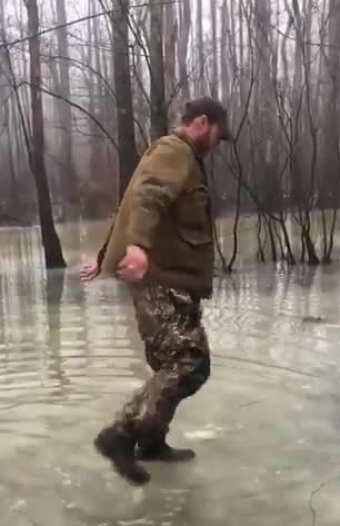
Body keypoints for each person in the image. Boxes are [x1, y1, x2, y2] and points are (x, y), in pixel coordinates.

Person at [81, 97, 230, 485]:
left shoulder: (175, 154)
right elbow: (147, 196)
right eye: (217, 133)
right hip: (161, 279)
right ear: (202, 123)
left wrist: (105, 255)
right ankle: (120, 433)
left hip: (172, 279)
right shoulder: (174, 151)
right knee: (189, 363)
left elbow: (128, 202)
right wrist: (137, 248)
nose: (217, 141)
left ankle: (150, 442)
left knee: (176, 364)